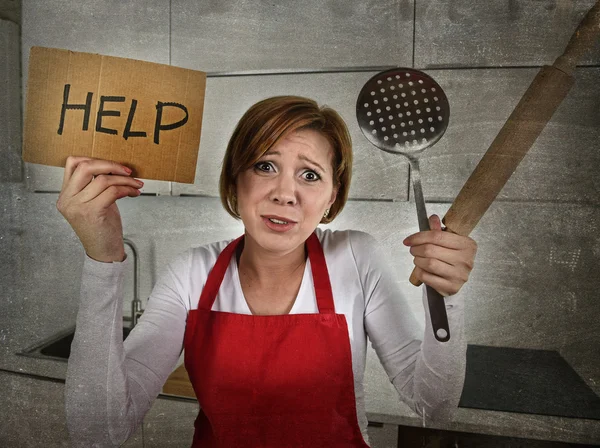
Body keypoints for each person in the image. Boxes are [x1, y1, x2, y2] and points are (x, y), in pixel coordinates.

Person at [58, 96, 477, 447]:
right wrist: (103, 258)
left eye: (310, 175)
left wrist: (447, 295)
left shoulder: (355, 257)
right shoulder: (193, 272)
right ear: (235, 181)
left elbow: (432, 404)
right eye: (265, 166)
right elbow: (99, 433)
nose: (284, 193)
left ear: (332, 197)